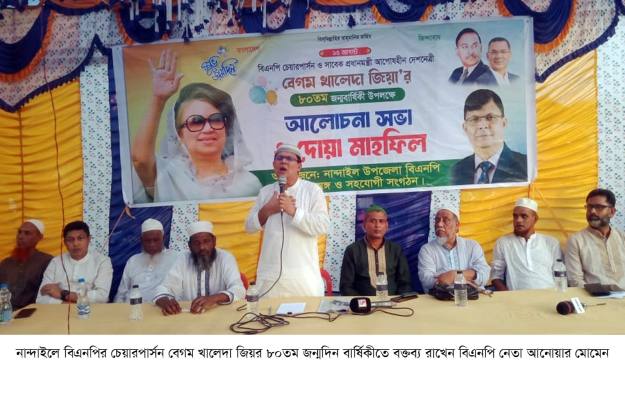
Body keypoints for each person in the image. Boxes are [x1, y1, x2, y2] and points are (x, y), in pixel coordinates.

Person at [131, 49, 261, 203]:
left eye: (216, 119)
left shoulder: (249, 183)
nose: (208, 128)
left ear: (226, 128)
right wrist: (158, 99)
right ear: (179, 134)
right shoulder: (167, 176)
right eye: (196, 122)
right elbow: (140, 160)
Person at [245, 143, 329, 297]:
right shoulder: (265, 192)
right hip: (270, 278)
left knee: (308, 312)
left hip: (303, 278)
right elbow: (249, 226)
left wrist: (294, 211)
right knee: (268, 313)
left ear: (299, 166)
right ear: (274, 165)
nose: (283, 161)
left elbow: (322, 225)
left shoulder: (312, 190)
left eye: (289, 159)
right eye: (279, 158)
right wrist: (267, 209)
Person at [153, 221, 245, 315]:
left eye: (206, 241)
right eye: (196, 243)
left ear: (214, 241)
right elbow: (164, 287)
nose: (202, 247)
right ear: (189, 246)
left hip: (220, 314)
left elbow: (239, 289)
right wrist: (165, 301)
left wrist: (214, 298)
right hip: (189, 315)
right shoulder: (183, 259)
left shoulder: (225, 258)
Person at [449, 89, 527, 185]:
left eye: (490, 118)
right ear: (465, 128)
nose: (482, 125)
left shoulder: (526, 166)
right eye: (474, 119)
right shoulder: (457, 170)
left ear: (504, 123)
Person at [339, 205, 412, 296]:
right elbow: (346, 286)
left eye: (381, 221)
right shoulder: (352, 250)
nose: (377, 225)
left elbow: (405, 283)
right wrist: (362, 302)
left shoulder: (396, 250)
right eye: (373, 221)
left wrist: (397, 301)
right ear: (364, 225)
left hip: (393, 301)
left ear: (386, 226)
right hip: (363, 303)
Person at [491, 198, 562, 290]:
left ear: (535, 219)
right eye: (515, 216)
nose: (518, 220)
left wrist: (559, 296)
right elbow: (496, 277)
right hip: (517, 296)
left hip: (550, 294)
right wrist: (509, 296)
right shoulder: (503, 242)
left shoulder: (551, 242)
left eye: (524, 216)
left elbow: (560, 276)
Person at [36, 221, 112, 304]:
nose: (75, 244)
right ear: (65, 242)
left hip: (91, 310)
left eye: (80, 238)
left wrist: (63, 294)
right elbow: (41, 298)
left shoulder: (102, 261)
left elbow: (102, 296)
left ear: (89, 239)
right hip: (59, 310)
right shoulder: (56, 262)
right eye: (70, 240)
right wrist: (67, 304)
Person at [417, 207, 489, 292]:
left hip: (473, 296)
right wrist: (469, 276)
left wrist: (453, 275)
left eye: (446, 220)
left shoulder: (472, 246)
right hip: (441, 298)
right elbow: (427, 281)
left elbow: (484, 276)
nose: (439, 224)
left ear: (457, 226)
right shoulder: (427, 250)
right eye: (437, 220)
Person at [565, 188, 625, 289]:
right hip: (595, 296)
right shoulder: (576, 240)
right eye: (589, 207)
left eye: (599, 207)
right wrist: (599, 293)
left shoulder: (622, 237)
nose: (592, 211)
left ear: (612, 212)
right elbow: (575, 280)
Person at [114, 218, 180, 303]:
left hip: (162, 308)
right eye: (147, 241)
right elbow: (121, 293)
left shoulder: (176, 258)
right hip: (132, 308)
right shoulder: (133, 260)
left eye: (156, 240)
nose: (152, 244)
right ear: (141, 240)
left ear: (163, 238)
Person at [0, 220, 53, 309]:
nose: (20, 236)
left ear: (39, 237)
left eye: (27, 233)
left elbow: (48, 293)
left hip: (32, 313)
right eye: (19, 232)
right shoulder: (6, 263)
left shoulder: (47, 261)